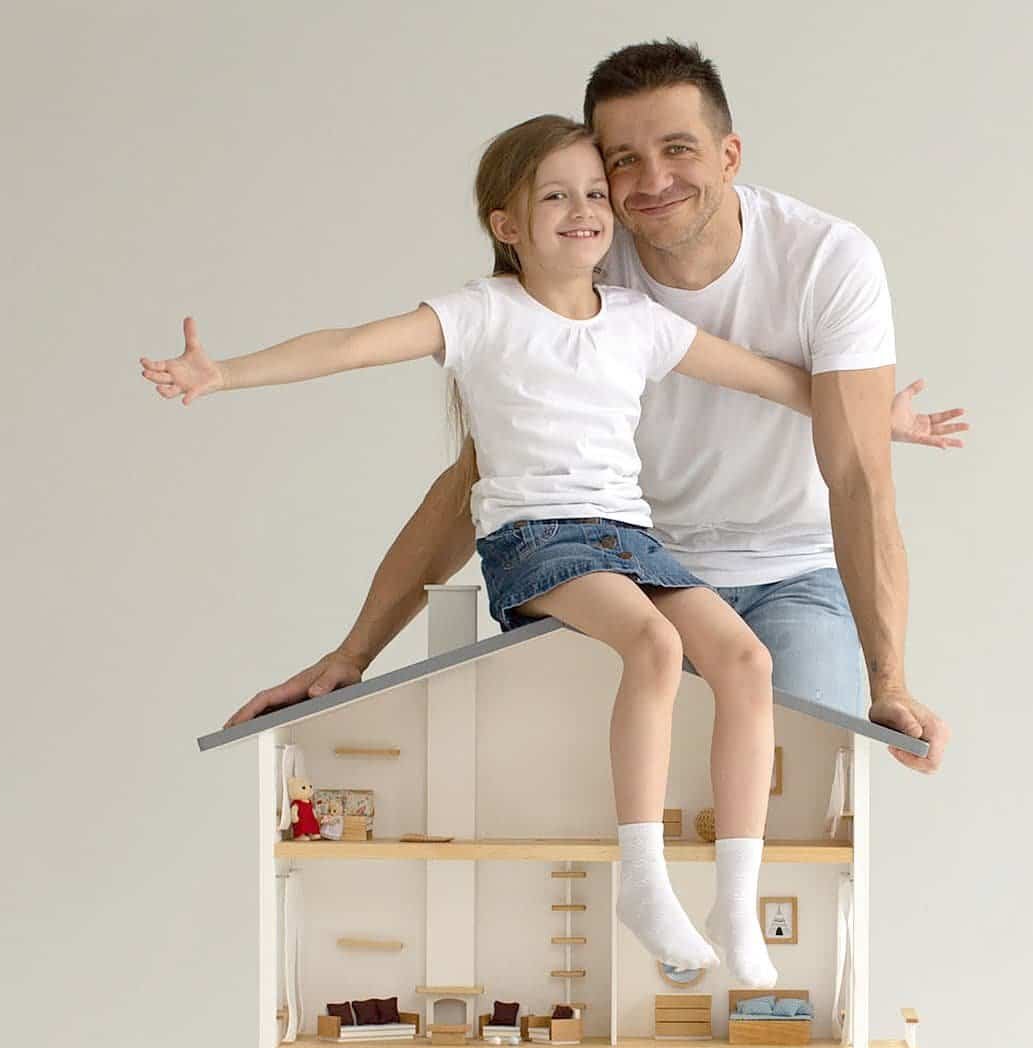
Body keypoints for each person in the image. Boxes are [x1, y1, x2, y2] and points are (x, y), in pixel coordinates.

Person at [140, 114, 949, 986]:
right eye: (556, 196)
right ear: (507, 224)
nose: (586, 209)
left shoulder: (637, 319)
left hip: (628, 539)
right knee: (656, 647)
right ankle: (642, 882)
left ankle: (734, 902)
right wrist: (224, 373)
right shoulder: (481, 313)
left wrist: (881, 417)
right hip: (535, 542)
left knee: (745, 662)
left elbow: (774, 380)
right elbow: (346, 346)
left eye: (594, 193)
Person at [220, 41, 963, 782]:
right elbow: (481, 480)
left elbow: (859, 476)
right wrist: (354, 654)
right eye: (623, 160)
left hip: (793, 570)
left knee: (797, 799)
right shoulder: (583, 260)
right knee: (607, 813)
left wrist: (890, 683)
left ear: (730, 154)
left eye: (678, 149)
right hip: (629, 574)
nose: (652, 180)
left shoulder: (826, 260)